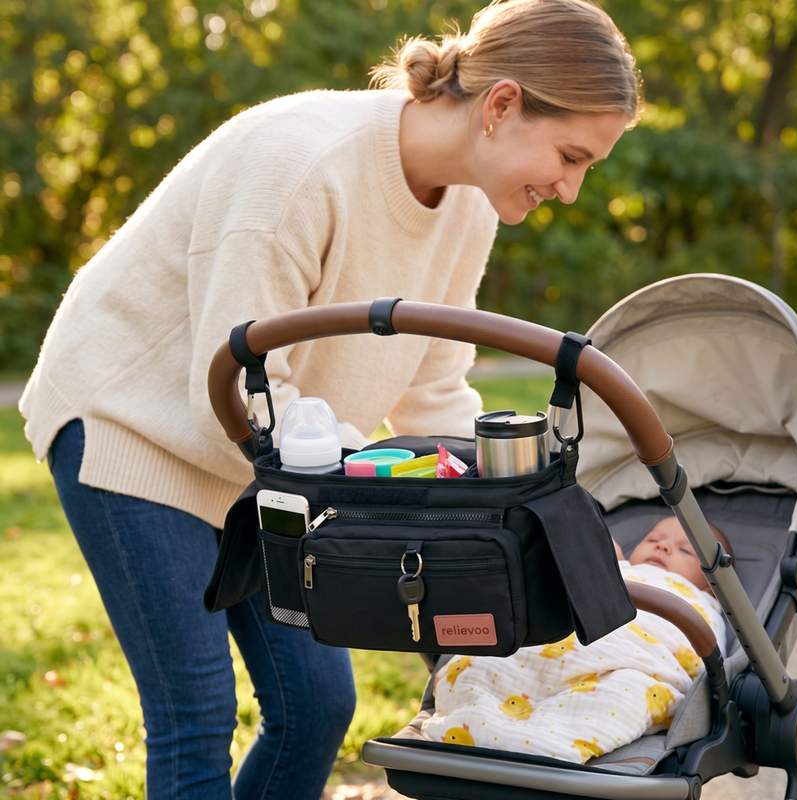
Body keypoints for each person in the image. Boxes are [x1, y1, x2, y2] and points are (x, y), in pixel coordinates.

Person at [19, 0, 643, 797]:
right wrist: (378, 482)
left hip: (273, 461)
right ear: (502, 104)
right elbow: (232, 396)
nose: (573, 188)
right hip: (135, 428)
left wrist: (522, 510)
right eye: (570, 155)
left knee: (315, 706)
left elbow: (432, 392)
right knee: (195, 713)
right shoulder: (301, 165)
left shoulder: (468, 205)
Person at [417, 517, 731, 763]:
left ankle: (545, 742)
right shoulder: (616, 567)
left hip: (631, 659)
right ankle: (471, 719)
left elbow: (694, 650)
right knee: (484, 664)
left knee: (628, 692)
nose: (662, 546)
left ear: (711, 585)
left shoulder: (702, 600)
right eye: (653, 539)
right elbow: (580, 538)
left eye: (685, 550)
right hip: (550, 643)